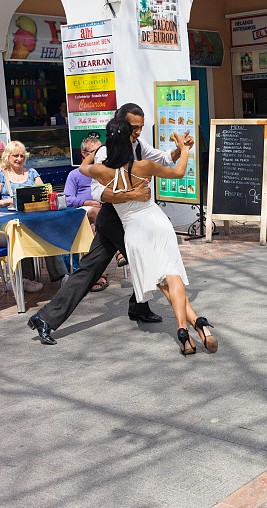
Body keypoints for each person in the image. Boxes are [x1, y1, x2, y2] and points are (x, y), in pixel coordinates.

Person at [27, 103, 186, 345]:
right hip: (115, 218)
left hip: (131, 219)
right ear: (120, 124)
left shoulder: (139, 146)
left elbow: (163, 158)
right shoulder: (104, 153)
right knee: (148, 261)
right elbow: (101, 194)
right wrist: (132, 195)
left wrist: (179, 150)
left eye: (141, 127)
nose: (138, 132)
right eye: (134, 127)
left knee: (92, 268)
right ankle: (162, 314)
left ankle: (47, 318)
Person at [79, 118, 216, 356]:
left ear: (110, 141)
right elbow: (179, 172)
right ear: (129, 139)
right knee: (172, 274)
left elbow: (82, 167)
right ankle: (191, 326)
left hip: (134, 230)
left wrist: (98, 150)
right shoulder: (143, 166)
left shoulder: (102, 171)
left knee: (160, 280)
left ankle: (188, 330)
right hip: (157, 222)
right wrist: (183, 150)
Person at [0, 140, 69, 293]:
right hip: (13, 222)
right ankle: (25, 278)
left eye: (22, 156)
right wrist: (8, 201)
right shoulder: (1, 177)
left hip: (35, 219)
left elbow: (45, 194)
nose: (19, 159)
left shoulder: (32, 173)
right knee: (21, 235)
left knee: (47, 234)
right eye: (15, 156)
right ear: (7, 157)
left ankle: (61, 275)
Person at [63, 136, 112, 291]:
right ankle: (114, 255)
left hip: (104, 212)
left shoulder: (106, 171)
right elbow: (68, 199)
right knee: (96, 213)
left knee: (96, 227)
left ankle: (96, 272)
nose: (100, 156)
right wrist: (87, 202)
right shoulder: (75, 174)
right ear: (84, 155)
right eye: (95, 152)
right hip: (82, 212)